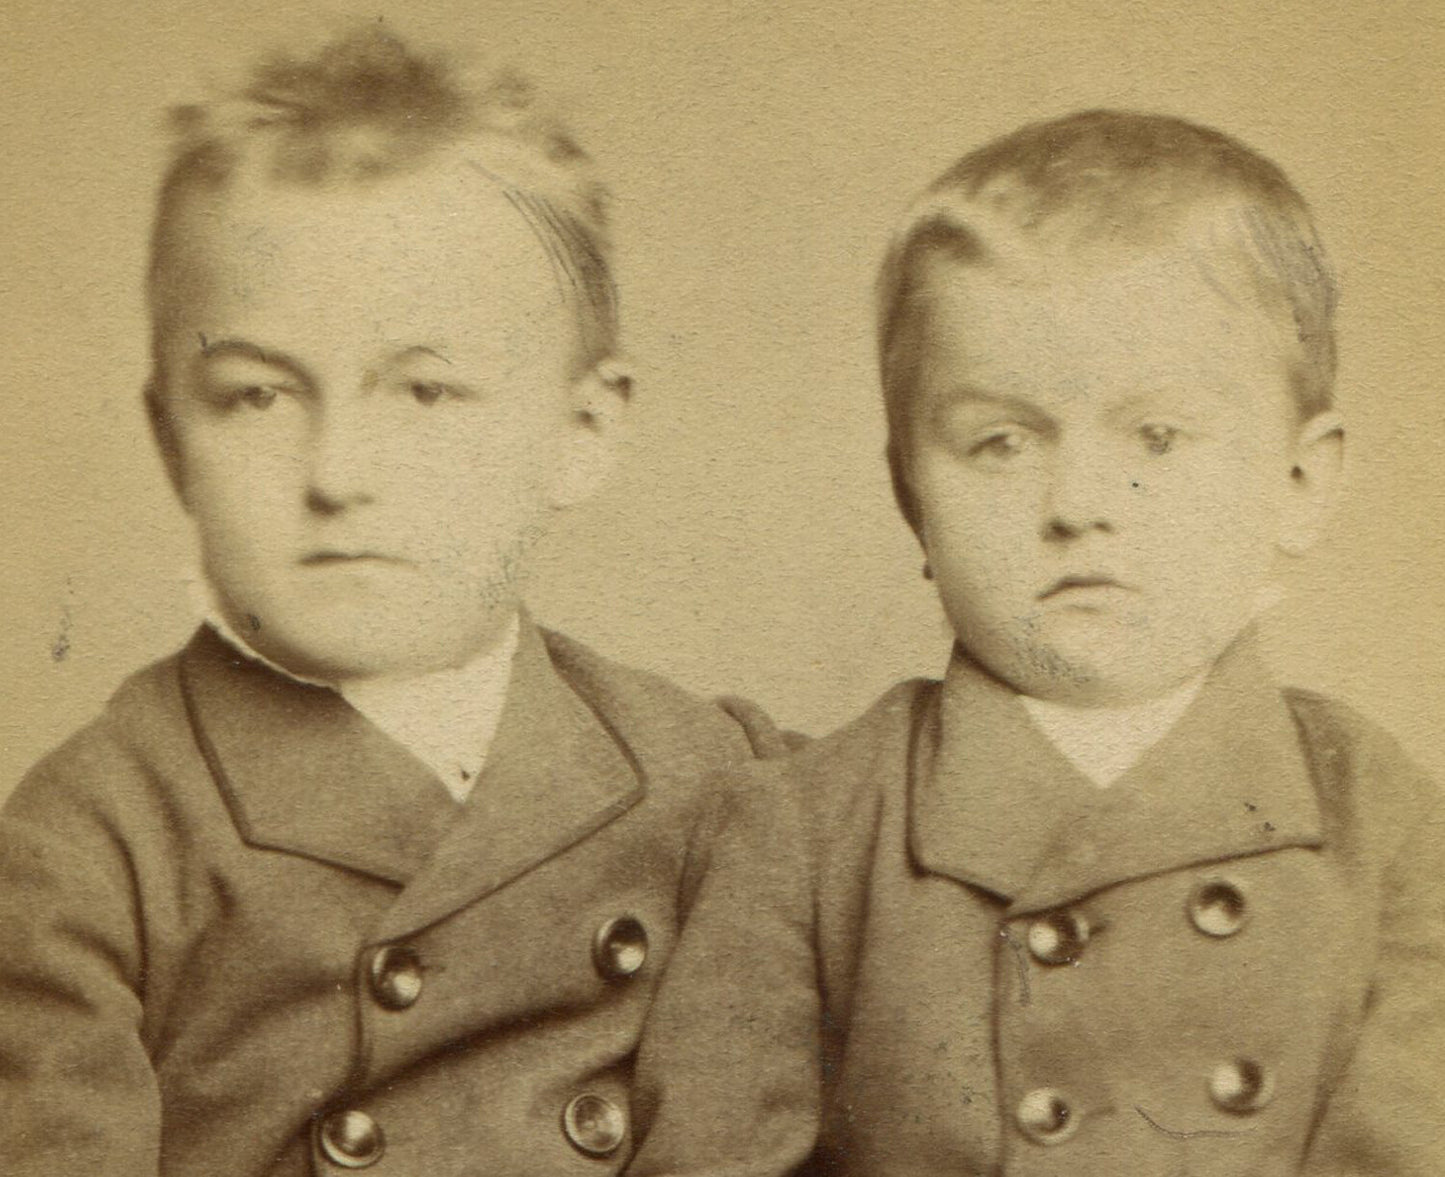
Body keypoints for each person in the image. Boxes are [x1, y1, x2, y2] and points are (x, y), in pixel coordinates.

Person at [0, 27, 794, 1176]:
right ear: (170, 440)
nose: (337, 472)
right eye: (258, 396)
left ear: (581, 433)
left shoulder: (716, 775)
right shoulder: (89, 845)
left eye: (423, 390)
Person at [625, 110, 1445, 1176]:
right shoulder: (802, 830)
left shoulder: (1377, 812)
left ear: (1297, 484)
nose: (1079, 502)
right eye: (1000, 442)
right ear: (909, 494)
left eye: (1156, 435)